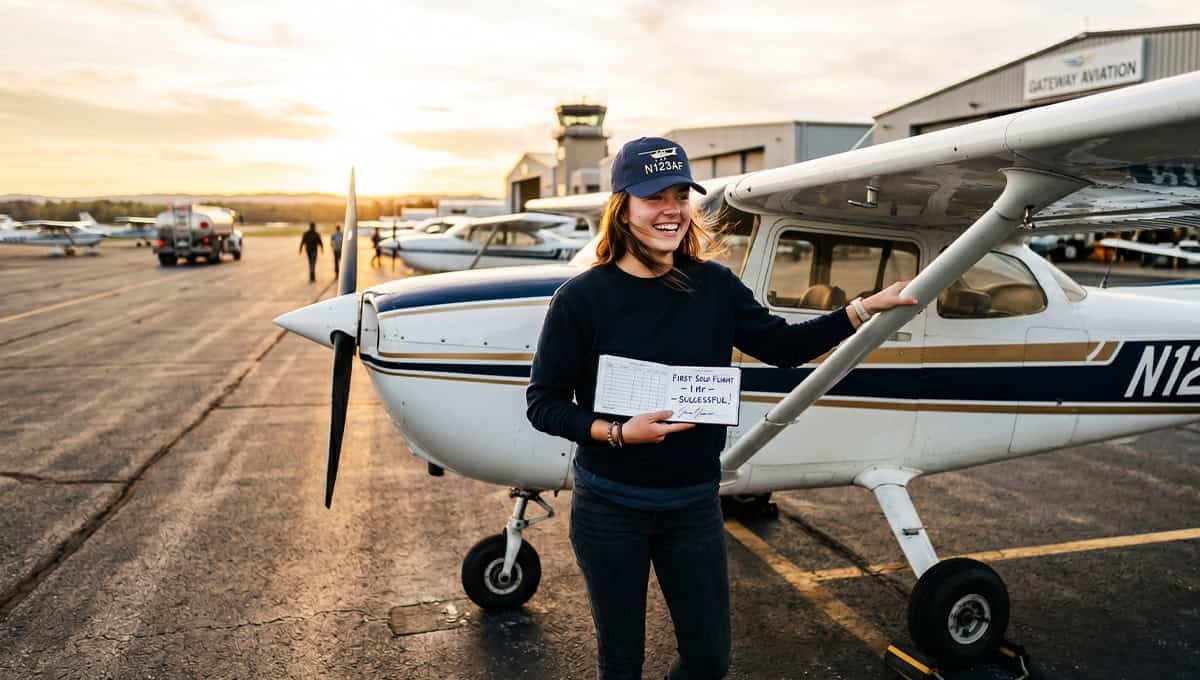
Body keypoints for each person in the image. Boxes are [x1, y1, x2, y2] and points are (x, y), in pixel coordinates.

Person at [526, 137, 917, 680]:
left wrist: (859, 310)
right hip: (610, 509)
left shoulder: (713, 285)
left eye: (681, 194)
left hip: (693, 507)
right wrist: (616, 433)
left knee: (709, 660)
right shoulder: (580, 299)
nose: (671, 210)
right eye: (654, 196)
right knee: (621, 663)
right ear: (623, 208)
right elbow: (542, 403)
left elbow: (781, 347)